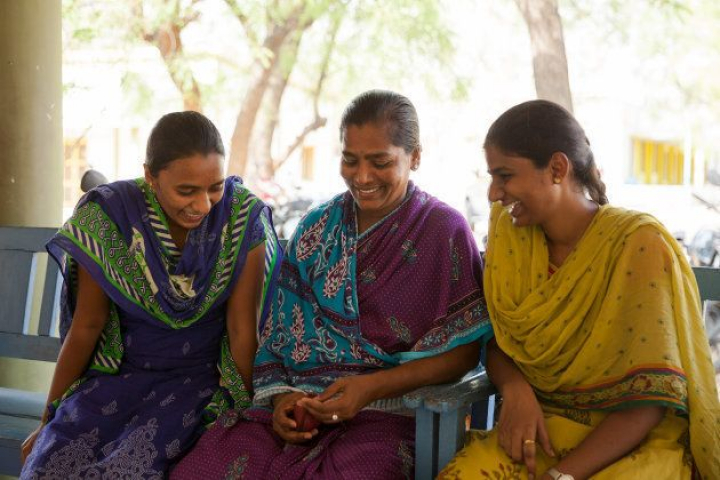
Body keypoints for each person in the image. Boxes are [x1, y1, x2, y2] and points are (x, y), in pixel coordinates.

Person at [171, 90, 494, 479]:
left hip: (391, 416)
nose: (362, 176)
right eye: (350, 160)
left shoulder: (444, 232)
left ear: (415, 157)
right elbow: (277, 341)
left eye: (380, 162)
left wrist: (370, 389)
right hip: (303, 412)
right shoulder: (315, 226)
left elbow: (463, 354)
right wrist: (283, 402)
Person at [439, 100, 720, 480]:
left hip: (630, 441)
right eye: (492, 177)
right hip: (542, 428)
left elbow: (649, 401)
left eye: (505, 175)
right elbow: (497, 341)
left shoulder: (639, 244)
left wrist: (561, 476)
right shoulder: (510, 234)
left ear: (557, 168)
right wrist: (515, 388)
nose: (492, 194)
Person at [20, 111, 281, 478]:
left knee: (129, 470)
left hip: (199, 387)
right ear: (150, 176)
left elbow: (242, 330)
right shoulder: (111, 218)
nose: (204, 205)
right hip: (118, 380)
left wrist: (256, 414)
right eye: (186, 191)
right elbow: (87, 325)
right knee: (48, 465)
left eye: (215, 187)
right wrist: (48, 418)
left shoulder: (240, 218)